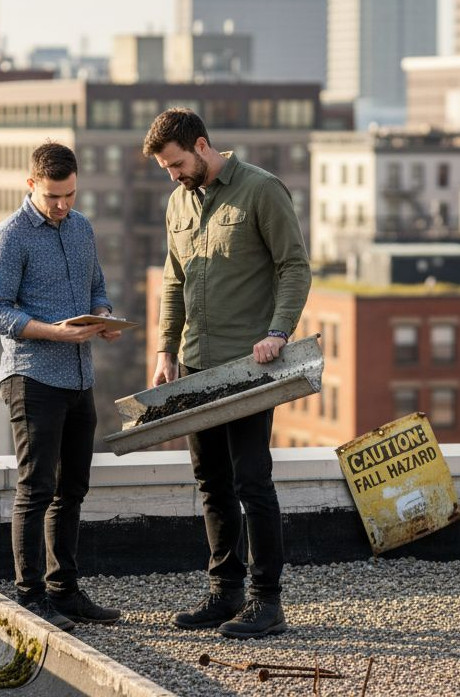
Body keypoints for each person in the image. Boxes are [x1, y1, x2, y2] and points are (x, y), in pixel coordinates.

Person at [143, 108, 310, 639]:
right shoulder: (178, 203)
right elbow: (174, 280)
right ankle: (225, 592)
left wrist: (279, 332)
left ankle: (267, 601)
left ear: (201, 145)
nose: (173, 176)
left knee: (252, 482)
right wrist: (166, 350)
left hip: (249, 365)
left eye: (176, 164)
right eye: (166, 169)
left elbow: (294, 266)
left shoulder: (262, 190)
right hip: (196, 363)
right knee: (211, 483)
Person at [0, 141, 123, 631]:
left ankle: (65, 590)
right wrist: (53, 332)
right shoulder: (9, 237)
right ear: (31, 185)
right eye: (53, 196)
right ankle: (30, 597)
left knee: (73, 488)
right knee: (36, 488)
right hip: (32, 377)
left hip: (80, 377)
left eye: (70, 195)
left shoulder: (82, 228)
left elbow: (97, 286)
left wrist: (103, 316)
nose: (63, 205)